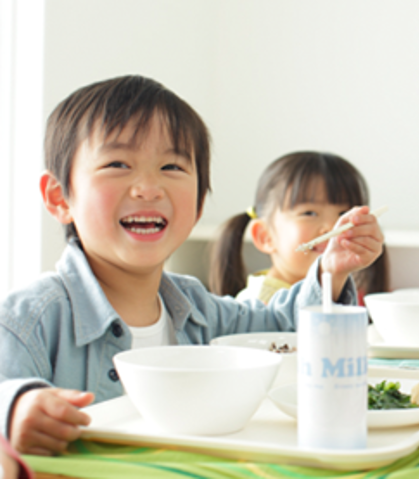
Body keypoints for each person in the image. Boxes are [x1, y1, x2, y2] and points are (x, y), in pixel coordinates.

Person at [0, 75, 384, 455]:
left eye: (172, 167)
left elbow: (282, 330)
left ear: (199, 204)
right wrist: (14, 408)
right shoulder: (28, 320)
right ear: (58, 197)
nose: (149, 187)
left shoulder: (199, 309)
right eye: (118, 163)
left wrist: (331, 270)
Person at [209, 152, 390, 305]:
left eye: (344, 214)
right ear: (266, 237)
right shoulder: (259, 304)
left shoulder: (346, 292)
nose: (332, 227)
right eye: (309, 213)